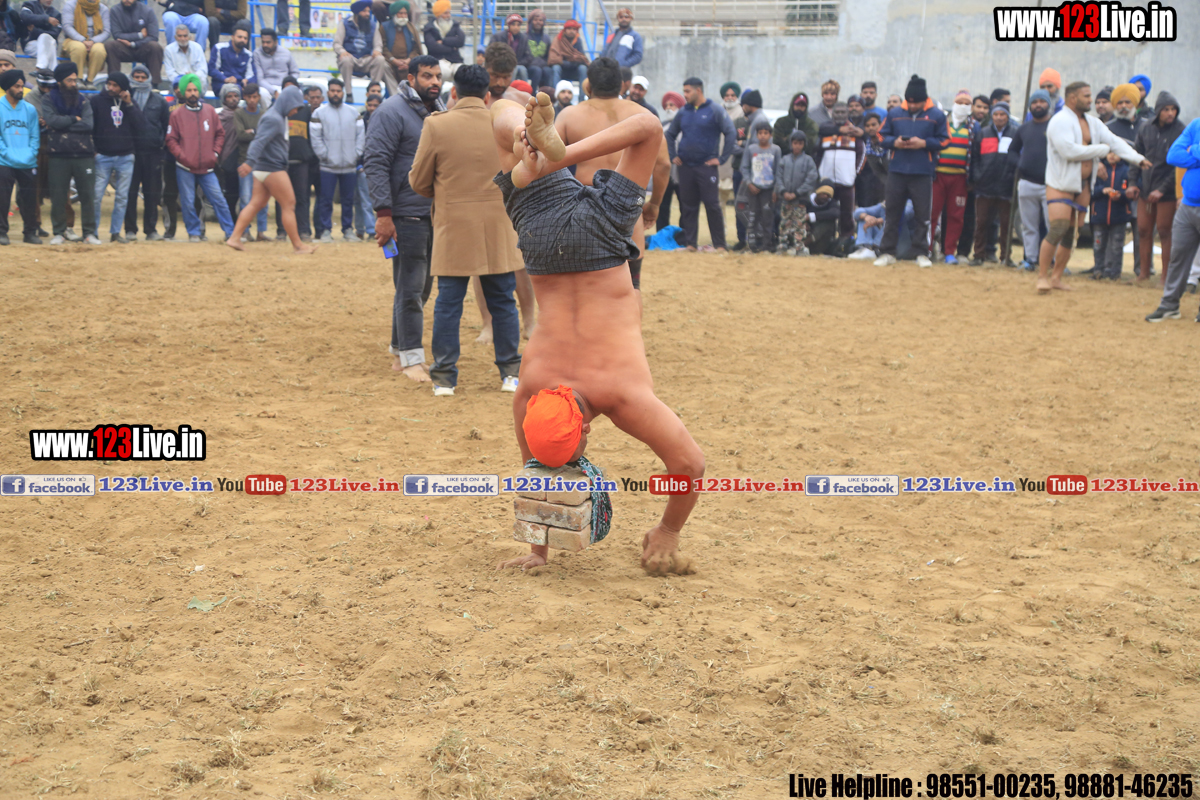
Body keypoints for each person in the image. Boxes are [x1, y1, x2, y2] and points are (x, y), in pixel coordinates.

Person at [490, 93, 702, 575]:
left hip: (601, 242)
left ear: (584, 431)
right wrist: (555, 156)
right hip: (544, 240)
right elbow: (533, 469)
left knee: (648, 131)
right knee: (501, 111)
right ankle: (533, 144)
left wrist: (667, 532)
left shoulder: (615, 395)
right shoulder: (530, 386)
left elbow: (690, 466)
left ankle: (539, 149)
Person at [407, 64, 523, 396]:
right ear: (487, 95)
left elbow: (418, 181)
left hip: (453, 225)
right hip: (498, 224)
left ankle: (445, 378)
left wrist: (444, 192)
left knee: (448, 302)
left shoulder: (436, 124)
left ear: (454, 92)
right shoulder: (501, 123)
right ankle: (511, 373)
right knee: (503, 300)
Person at [555, 56, 668, 294]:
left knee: (584, 286)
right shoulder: (643, 116)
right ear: (622, 85)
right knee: (631, 286)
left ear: (588, 84)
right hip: (627, 205)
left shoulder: (568, 115)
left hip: (583, 206)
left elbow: (549, 161)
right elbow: (663, 165)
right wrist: (654, 204)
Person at [362, 54, 443, 381]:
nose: (434, 82)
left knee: (421, 288)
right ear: (411, 78)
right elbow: (375, 161)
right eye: (427, 76)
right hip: (405, 213)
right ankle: (410, 358)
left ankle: (400, 350)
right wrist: (384, 213)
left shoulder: (439, 111)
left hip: (433, 212)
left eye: (437, 76)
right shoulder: (390, 112)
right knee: (411, 287)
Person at [1039, 81, 1148, 293]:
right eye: (1087, 96)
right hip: (1060, 183)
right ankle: (1042, 276)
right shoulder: (1059, 121)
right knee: (1058, 228)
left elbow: (1115, 142)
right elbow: (1069, 151)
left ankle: (1056, 277)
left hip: (1084, 185)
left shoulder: (1093, 123)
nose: (1092, 100)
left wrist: (1138, 159)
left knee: (1072, 233)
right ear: (1073, 98)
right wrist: (1101, 150)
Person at [224, 85, 317, 254]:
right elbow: (259, 141)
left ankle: (234, 238)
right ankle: (298, 245)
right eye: (295, 107)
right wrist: (249, 162)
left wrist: (252, 163)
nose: (296, 111)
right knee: (289, 204)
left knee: (256, 203)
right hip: (272, 167)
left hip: (263, 168)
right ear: (288, 102)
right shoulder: (274, 118)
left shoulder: (276, 116)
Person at [873, 74, 947, 269]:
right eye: (910, 102)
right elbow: (880, 135)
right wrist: (895, 142)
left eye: (917, 103)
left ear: (925, 99)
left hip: (922, 172)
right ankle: (887, 252)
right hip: (897, 170)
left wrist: (924, 143)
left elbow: (945, 140)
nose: (913, 106)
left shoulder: (937, 115)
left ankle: (922, 253)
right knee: (892, 213)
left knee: (923, 216)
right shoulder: (895, 113)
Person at [665, 77, 734, 252]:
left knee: (712, 204)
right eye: (684, 91)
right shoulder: (683, 112)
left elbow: (730, 132)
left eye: (687, 91)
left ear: (698, 91)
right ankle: (690, 244)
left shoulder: (715, 110)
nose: (685, 95)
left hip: (706, 166)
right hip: (686, 167)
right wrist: (673, 155)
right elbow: (670, 134)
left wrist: (722, 158)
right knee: (688, 206)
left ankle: (720, 245)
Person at [166, 72, 236, 242]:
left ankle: (231, 232)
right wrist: (181, 156)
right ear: (183, 92)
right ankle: (194, 232)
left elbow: (220, 134)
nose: (192, 93)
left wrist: (215, 153)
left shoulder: (210, 111)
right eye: (189, 90)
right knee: (188, 201)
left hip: (208, 166)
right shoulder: (176, 115)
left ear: (199, 91)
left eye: (195, 90)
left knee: (219, 200)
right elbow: (171, 139)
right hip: (185, 167)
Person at [1145, 117, 1200, 321]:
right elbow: (1173, 155)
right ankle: (1169, 305)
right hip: (1188, 204)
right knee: (1177, 257)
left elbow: (1184, 153)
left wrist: (1192, 150)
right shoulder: (1196, 124)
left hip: (1188, 203)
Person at [1129, 90, 1183, 284]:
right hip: (1145, 189)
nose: (1170, 113)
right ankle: (1143, 274)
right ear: (1159, 110)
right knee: (1143, 230)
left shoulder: (1181, 130)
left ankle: (1166, 277)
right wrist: (1133, 183)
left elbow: (1179, 167)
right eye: (1166, 109)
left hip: (1167, 193)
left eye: (1173, 109)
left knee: (1165, 231)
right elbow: (1136, 157)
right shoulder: (1146, 128)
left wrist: (1162, 189)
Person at [43, 62, 100, 244]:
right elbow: (52, 121)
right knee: (58, 196)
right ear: (60, 81)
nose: (74, 84)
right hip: (58, 155)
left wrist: (63, 124)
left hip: (84, 155)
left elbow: (88, 124)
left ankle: (89, 233)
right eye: (70, 80)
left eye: (75, 80)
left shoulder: (83, 100)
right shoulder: (49, 99)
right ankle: (59, 232)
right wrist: (74, 119)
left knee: (88, 195)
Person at [89, 70, 143, 243]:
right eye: (109, 84)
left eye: (115, 85)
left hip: (126, 157)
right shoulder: (96, 101)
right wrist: (94, 151)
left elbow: (140, 125)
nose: (111, 88)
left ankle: (115, 233)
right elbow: (90, 127)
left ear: (123, 88)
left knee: (122, 197)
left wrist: (129, 104)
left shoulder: (130, 103)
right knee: (96, 195)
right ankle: (93, 232)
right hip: (103, 156)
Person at [310, 77, 363, 242]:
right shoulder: (319, 113)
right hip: (328, 166)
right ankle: (326, 230)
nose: (335, 94)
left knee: (348, 200)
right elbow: (316, 138)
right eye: (332, 91)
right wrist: (324, 156)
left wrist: (355, 154)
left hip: (349, 165)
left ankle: (348, 230)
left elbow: (361, 137)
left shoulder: (354, 113)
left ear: (343, 93)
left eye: (338, 91)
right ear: (328, 92)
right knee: (325, 200)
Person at [967, 101, 1017, 266]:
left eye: (1002, 114)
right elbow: (975, 157)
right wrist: (977, 176)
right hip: (985, 186)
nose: (999, 117)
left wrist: (1012, 177)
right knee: (981, 223)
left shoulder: (1015, 134)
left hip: (1006, 186)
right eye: (996, 114)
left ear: (1007, 116)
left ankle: (1006, 257)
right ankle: (978, 255)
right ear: (992, 116)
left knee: (1006, 225)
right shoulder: (983, 133)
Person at [1008, 89, 1052, 270]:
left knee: (1053, 226)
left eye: (1042, 101)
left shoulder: (1055, 126)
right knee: (1028, 226)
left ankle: (1054, 261)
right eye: (1034, 102)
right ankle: (1030, 259)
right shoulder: (1024, 129)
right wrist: (1020, 164)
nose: (1038, 105)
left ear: (1048, 104)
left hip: (1052, 185)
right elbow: (1012, 151)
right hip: (1027, 183)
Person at [931, 89, 974, 265]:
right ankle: (927, 249)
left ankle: (949, 251)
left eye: (967, 104)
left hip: (960, 178)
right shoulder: (943, 123)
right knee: (932, 213)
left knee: (956, 216)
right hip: (938, 175)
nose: (963, 106)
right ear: (954, 104)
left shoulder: (973, 127)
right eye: (960, 102)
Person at [813, 100, 861, 247]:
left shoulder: (854, 132)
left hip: (846, 180)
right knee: (828, 211)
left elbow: (861, 154)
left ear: (848, 113)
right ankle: (827, 241)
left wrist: (854, 173)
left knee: (847, 213)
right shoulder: (826, 131)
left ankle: (846, 241)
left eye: (843, 112)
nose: (840, 115)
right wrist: (819, 173)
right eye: (837, 112)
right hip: (827, 181)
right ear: (832, 113)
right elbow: (818, 154)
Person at [1107, 82, 1143, 276]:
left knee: (1141, 230)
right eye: (1119, 103)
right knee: (1111, 230)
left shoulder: (1146, 127)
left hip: (1140, 186)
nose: (1123, 106)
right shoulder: (1107, 129)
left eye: (1127, 102)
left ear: (1135, 103)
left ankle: (1142, 269)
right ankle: (1108, 269)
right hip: (1114, 188)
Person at [0, 68, 39, 245]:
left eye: (22, 86)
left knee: (29, 199)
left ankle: (30, 232)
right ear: (8, 87)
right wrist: (6, 153)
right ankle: (2, 232)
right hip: (4, 160)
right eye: (17, 86)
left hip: (27, 161)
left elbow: (34, 135)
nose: (21, 90)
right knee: (3, 198)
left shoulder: (30, 109)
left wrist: (31, 153)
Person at [274, 75, 313, 241]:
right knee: (281, 198)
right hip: (282, 163)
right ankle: (281, 231)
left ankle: (303, 230)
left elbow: (312, 136)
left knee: (302, 197)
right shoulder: (277, 111)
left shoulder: (305, 111)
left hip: (301, 161)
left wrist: (309, 155)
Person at [233, 82, 270, 240]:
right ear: (245, 97)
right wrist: (258, 134)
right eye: (249, 97)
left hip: (261, 162)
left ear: (259, 97)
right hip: (245, 160)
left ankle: (261, 232)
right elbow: (240, 135)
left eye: (255, 97)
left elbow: (266, 136)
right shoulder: (239, 113)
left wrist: (252, 132)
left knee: (263, 199)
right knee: (246, 198)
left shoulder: (264, 114)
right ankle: (245, 231)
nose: (252, 100)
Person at [1091, 149, 1132, 281]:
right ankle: (1098, 270)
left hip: (1119, 216)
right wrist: (1102, 190)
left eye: (1115, 153)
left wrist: (1121, 195)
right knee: (1098, 245)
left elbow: (1131, 193)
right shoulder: (1098, 170)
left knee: (1117, 246)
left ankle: (1115, 273)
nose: (1112, 155)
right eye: (1109, 153)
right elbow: (1090, 191)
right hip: (1099, 215)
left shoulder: (1127, 171)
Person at [739, 120, 779, 253]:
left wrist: (776, 189)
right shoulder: (751, 149)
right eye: (760, 133)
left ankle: (767, 245)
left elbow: (778, 170)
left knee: (767, 218)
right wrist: (749, 183)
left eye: (766, 133)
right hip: (753, 189)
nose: (763, 136)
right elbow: (744, 167)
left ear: (770, 135)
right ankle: (752, 245)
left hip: (768, 189)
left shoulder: (775, 150)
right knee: (753, 217)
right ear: (756, 135)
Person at [774, 129, 816, 256]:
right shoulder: (784, 160)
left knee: (799, 224)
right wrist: (783, 191)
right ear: (791, 144)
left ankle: (799, 247)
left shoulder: (808, 161)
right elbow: (778, 177)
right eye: (795, 143)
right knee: (784, 223)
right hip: (785, 198)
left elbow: (811, 179)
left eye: (800, 143)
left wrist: (797, 193)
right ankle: (783, 245)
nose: (797, 146)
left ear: (804, 145)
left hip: (800, 199)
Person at [333, 0, 384, 102]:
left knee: (380, 59)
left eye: (368, 11)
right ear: (357, 13)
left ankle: (374, 91)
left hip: (366, 59)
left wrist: (377, 51)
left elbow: (378, 44)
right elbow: (337, 44)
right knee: (345, 60)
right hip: (350, 58)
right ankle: (349, 93)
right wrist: (342, 52)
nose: (367, 14)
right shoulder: (345, 23)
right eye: (364, 11)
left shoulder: (372, 25)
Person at [106, 0, 163, 88]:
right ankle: (114, 83)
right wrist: (140, 35)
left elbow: (153, 36)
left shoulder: (147, 10)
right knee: (110, 45)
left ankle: (154, 85)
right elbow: (117, 35)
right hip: (124, 48)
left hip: (142, 47)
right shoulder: (115, 10)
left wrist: (134, 44)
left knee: (155, 47)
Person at [61, 0, 109, 89]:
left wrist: (93, 41)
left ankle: (90, 81)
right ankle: (78, 79)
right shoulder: (70, 5)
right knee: (79, 47)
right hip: (73, 39)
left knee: (99, 50)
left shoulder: (103, 9)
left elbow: (107, 31)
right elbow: (67, 26)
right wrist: (82, 40)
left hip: (94, 41)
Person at [379, 0, 420, 96]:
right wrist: (394, 60)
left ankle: (413, 95)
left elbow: (416, 48)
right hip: (390, 62)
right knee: (383, 65)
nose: (403, 16)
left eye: (405, 13)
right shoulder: (384, 27)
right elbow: (383, 47)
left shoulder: (411, 28)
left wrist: (408, 60)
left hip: (408, 62)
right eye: (400, 13)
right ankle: (394, 95)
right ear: (394, 14)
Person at [353, 91, 379, 241]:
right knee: (361, 200)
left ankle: (370, 229)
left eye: (375, 105)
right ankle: (363, 229)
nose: (372, 108)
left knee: (370, 200)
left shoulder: (385, 122)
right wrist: (359, 164)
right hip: (362, 167)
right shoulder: (361, 121)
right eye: (370, 105)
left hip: (378, 167)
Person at [656, 89, 682, 230]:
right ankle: (662, 234)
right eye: (666, 105)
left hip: (681, 172)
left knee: (685, 205)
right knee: (662, 205)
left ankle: (684, 235)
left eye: (672, 105)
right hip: (664, 172)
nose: (668, 108)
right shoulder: (662, 126)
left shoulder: (685, 126)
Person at [215, 81, 240, 220]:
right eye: (229, 96)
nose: (233, 99)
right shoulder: (219, 117)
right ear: (224, 99)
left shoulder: (243, 115)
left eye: (236, 96)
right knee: (229, 193)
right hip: (225, 159)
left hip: (241, 159)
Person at [209, 19, 254, 92]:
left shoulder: (248, 55)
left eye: (245, 38)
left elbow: (251, 75)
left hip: (239, 85)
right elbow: (212, 69)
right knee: (232, 90)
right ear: (232, 37)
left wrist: (246, 80)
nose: (242, 40)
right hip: (222, 83)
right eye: (240, 37)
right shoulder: (219, 48)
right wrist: (225, 79)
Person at [19, 0, 61, 77]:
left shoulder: (56, 14)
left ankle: (40, 68)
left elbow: (55, 34)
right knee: (49, 45)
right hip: (31, 45)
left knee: (45, 37)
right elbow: (25, 17)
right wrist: (46, 19)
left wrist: (35, 30)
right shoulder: (29, 5)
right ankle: (55, 72)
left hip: (49, 45)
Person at [422, 0, 463, 79]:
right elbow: (433, 47)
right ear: (438, 15)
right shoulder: (429, 28)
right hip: (437, 59)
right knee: (444, 72)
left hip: (455, 59)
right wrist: (452, 48)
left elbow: (461, 40)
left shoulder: (454, 25)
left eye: (449, 13)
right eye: (445, 13)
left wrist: (444, 41)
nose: (448, 16)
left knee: (462, 73)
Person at [253, 28, 296, 101]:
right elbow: (259, 79)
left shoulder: (286, 53)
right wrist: (274, 91)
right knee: (262, 93)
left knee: (298, 92)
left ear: (275, 42)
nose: (265, 45)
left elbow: (295, 72)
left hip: (284, 86)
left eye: (268, 42)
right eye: (263, 42)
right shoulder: (257, 54)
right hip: (266, 87)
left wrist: (289, 84)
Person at [548, 18, 587, 88]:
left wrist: (573, 62)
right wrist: (568, 63)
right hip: (562, 69)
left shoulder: (578, 41)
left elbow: (581, 57)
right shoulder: (558, 40)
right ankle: (555, 94)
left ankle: (583, 94)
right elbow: (553, 58)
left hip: (574, 70)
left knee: (583, 68)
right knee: (556, 68)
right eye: (569, 28)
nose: (571, 31)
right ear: (565, 30)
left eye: (574, 29)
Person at [490, 14, 528, 82]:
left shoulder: (524, 38)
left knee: (522, 69)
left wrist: (516, 63)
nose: (516, 27)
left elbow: (528, 56)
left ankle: (526, 88)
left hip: (518, 64)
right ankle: (508, 86)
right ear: (509, 25)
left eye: (518, 25)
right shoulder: (498, 37)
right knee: (513, 69)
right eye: (513, 24)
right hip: (501, 64)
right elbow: (491, 52)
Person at [806, 179, 840, 255]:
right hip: (804, 232)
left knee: (828, 222)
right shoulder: (807, 200)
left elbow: (835, 213)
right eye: (823, 193)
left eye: (828, 195)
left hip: (821, 242)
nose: (825, 196)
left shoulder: (831, 203)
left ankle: (804, 244)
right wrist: (804, 221)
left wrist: (811, 216)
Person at [521, 9, 550, 92]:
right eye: (535, 20)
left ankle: (546, 95)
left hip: (542, 65)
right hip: (528, 65)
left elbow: (548, 55)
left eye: (540, 20)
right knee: (537, 70)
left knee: (548, 71)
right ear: (531, 21)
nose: (538, 22)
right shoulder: (524, 36)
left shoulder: (546, 38)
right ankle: (532, 94)